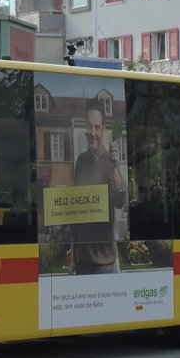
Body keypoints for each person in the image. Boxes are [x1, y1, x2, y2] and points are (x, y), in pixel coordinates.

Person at [70, 98, 127, 274]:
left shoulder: (111, 162)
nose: (92, 132)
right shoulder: (80, 161)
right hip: (82, 262)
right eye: (89, 126)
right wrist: (72, 255)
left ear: (103, 130)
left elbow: (120, 200)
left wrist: (115, 169)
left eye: (97, 127)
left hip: (106, 264)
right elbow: (75, 214)